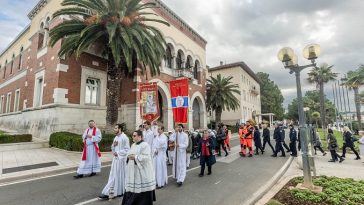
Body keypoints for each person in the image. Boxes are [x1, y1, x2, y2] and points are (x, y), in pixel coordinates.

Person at [122, 130, 156, 205]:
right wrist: (128, 156)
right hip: (133, 171)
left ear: (140, 136)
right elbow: (129, 153)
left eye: (134, 136)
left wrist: (135, 157)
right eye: (132, 136)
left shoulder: (145, 145)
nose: (132, 137)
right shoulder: (133, 145)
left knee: (141, 190)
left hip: (142, 172)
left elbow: (146, 157)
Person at [99, 124, 130, 200]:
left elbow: (127, 149)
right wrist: (114, 146)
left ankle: (113, 192)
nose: (114, 129)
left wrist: (118, 153)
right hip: (115, 160)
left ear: (120, 129)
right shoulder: (116, 137)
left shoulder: (125, 138)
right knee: (114, 175)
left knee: (119, 176)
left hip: (121, 160)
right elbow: (113, 148)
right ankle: (115, 191)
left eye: (116, 128)